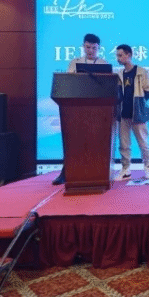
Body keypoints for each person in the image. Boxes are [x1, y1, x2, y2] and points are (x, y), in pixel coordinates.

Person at [52, 33, 109, 185]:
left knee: (96, 143)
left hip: (98, 110)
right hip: (76, 109)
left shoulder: (103, 63)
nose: (90, 51)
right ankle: (66, 173)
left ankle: (96, 173)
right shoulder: (74, 63)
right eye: (88, 47)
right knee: (73, 142)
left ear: (99, 48)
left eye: (94, 48)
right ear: (83, 46)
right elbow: (69, 83)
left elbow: (107, 87)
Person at [114, 44, 149, 180]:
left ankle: (147, 167)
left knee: (143, 143)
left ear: (129, 55)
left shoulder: (142, 72)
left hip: (138, 114)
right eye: (117, 55)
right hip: (123, 114)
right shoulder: (119, 74)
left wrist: (139, 103)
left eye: (120, 55)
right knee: (124, 144)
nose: (118, 58)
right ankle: (126, 169)